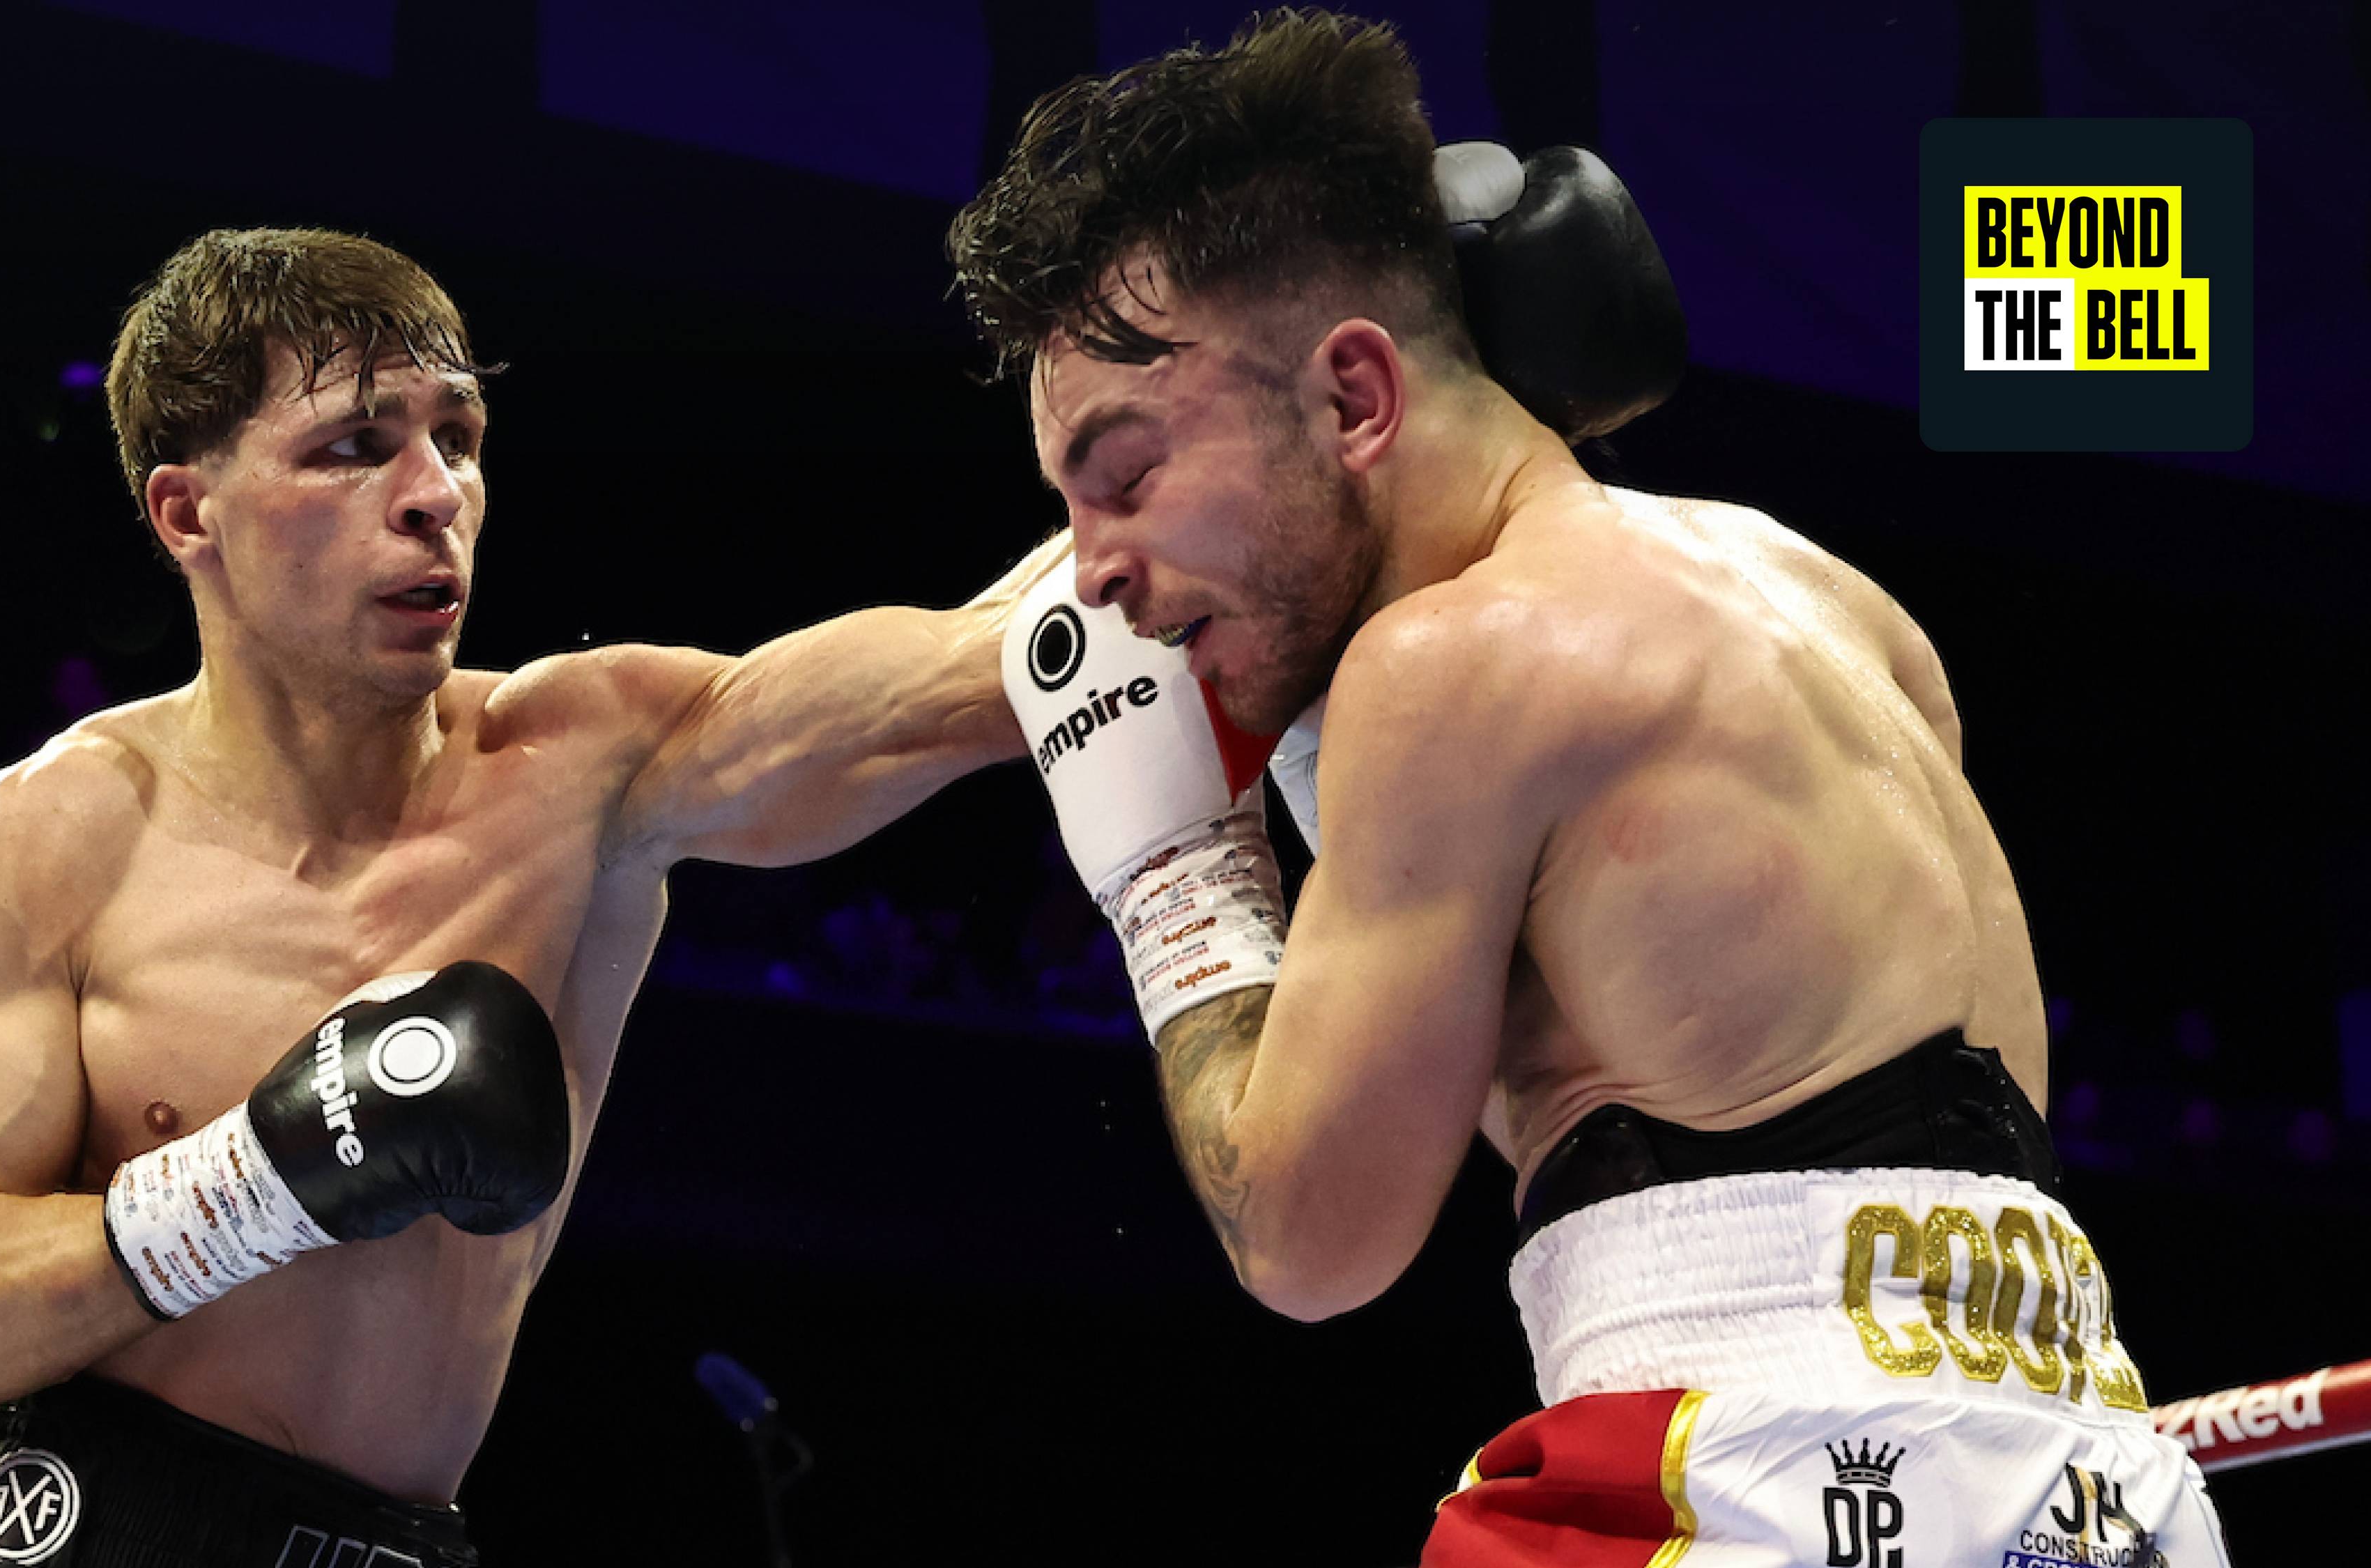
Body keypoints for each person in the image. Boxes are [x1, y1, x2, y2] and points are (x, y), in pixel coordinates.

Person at [952, 12, 2230, 1564]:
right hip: (2099, 1496)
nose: (1091, 574)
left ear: (1354, 398)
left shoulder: (1450, 668)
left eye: (1125, 475)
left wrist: (1179, 873)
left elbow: (1305, 1237)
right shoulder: (1842, 608)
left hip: (1770, 1477)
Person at [0, 226, 1066, 1567]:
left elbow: (971, 670)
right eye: (355, 445)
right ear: (189, 515)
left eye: (460, 438)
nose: (436, 494)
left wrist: (1188, 496)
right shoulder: (51, 838)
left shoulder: (588, 766)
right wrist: (256, 1181)